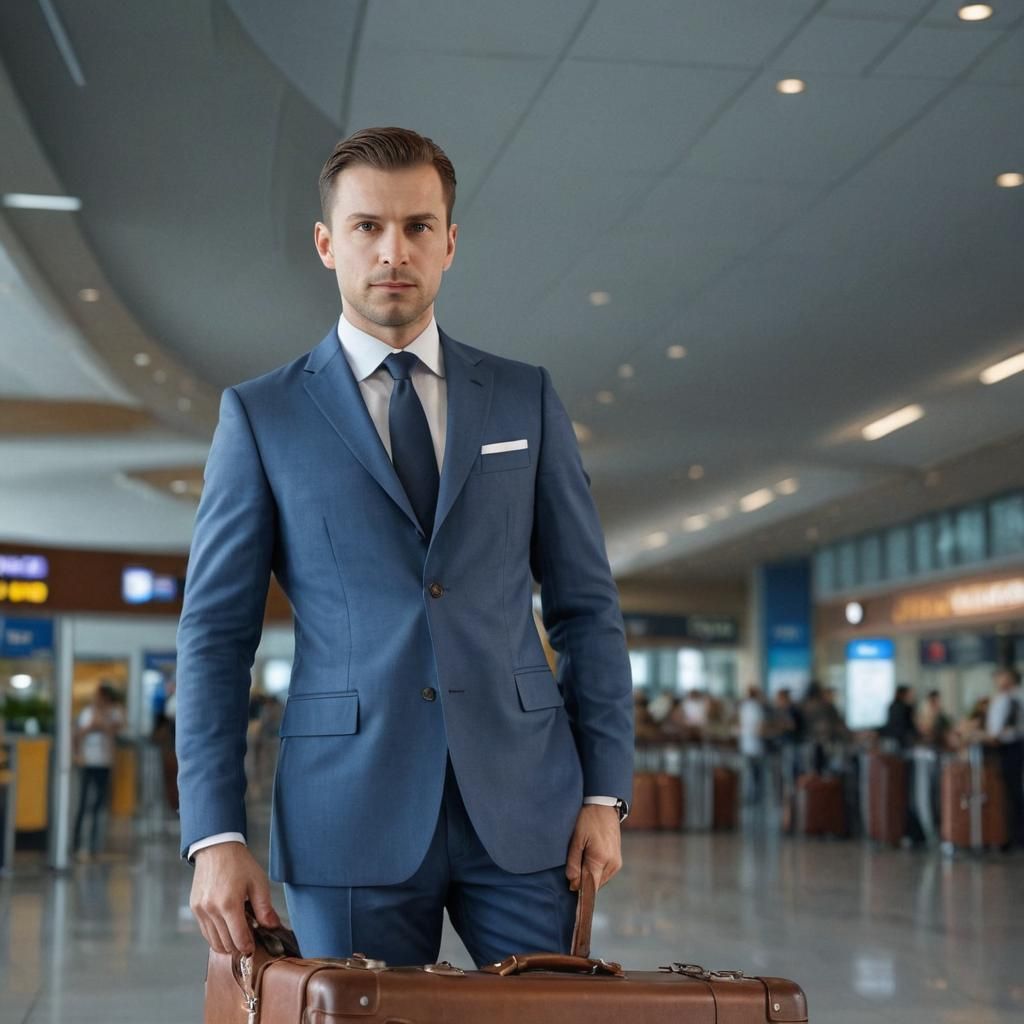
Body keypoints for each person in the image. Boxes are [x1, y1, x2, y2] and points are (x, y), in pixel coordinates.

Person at [176, 127, 634, 967]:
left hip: (528, 808)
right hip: (346, 813)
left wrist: (605, 790)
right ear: (327, 244)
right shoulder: (263, 416)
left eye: (418, 226)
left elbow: (586, 607)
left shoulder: (524, 398)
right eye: (367, 227)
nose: (394, 251)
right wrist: (214, 833)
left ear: (449, 243)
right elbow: (215, 635)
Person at [72, 683, 124, 860]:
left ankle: (95, 846)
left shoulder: (113, 713)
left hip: (104, 762)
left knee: (99, 805)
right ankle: (77, 844)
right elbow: (79, 733)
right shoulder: (87, 713)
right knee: (83, 803)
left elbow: (116, 729)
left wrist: (102, 722)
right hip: (87, 762)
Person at [986, 668, 1024, 850]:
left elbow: (1001, 731)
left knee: (1012, 792)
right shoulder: (1005, 698)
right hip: (1009, 747)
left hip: (1011, 748)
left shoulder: (1012, 699)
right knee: (1010, 792)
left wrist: (990, 736)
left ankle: (1014, 836)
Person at [737, 686, 767, 805]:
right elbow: (760, 727)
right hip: (755, 744)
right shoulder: (757, 708)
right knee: (756, 773)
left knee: (749, 772)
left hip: (746, 743)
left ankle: (750, 795)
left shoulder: (744, 707)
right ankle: (756, 796)